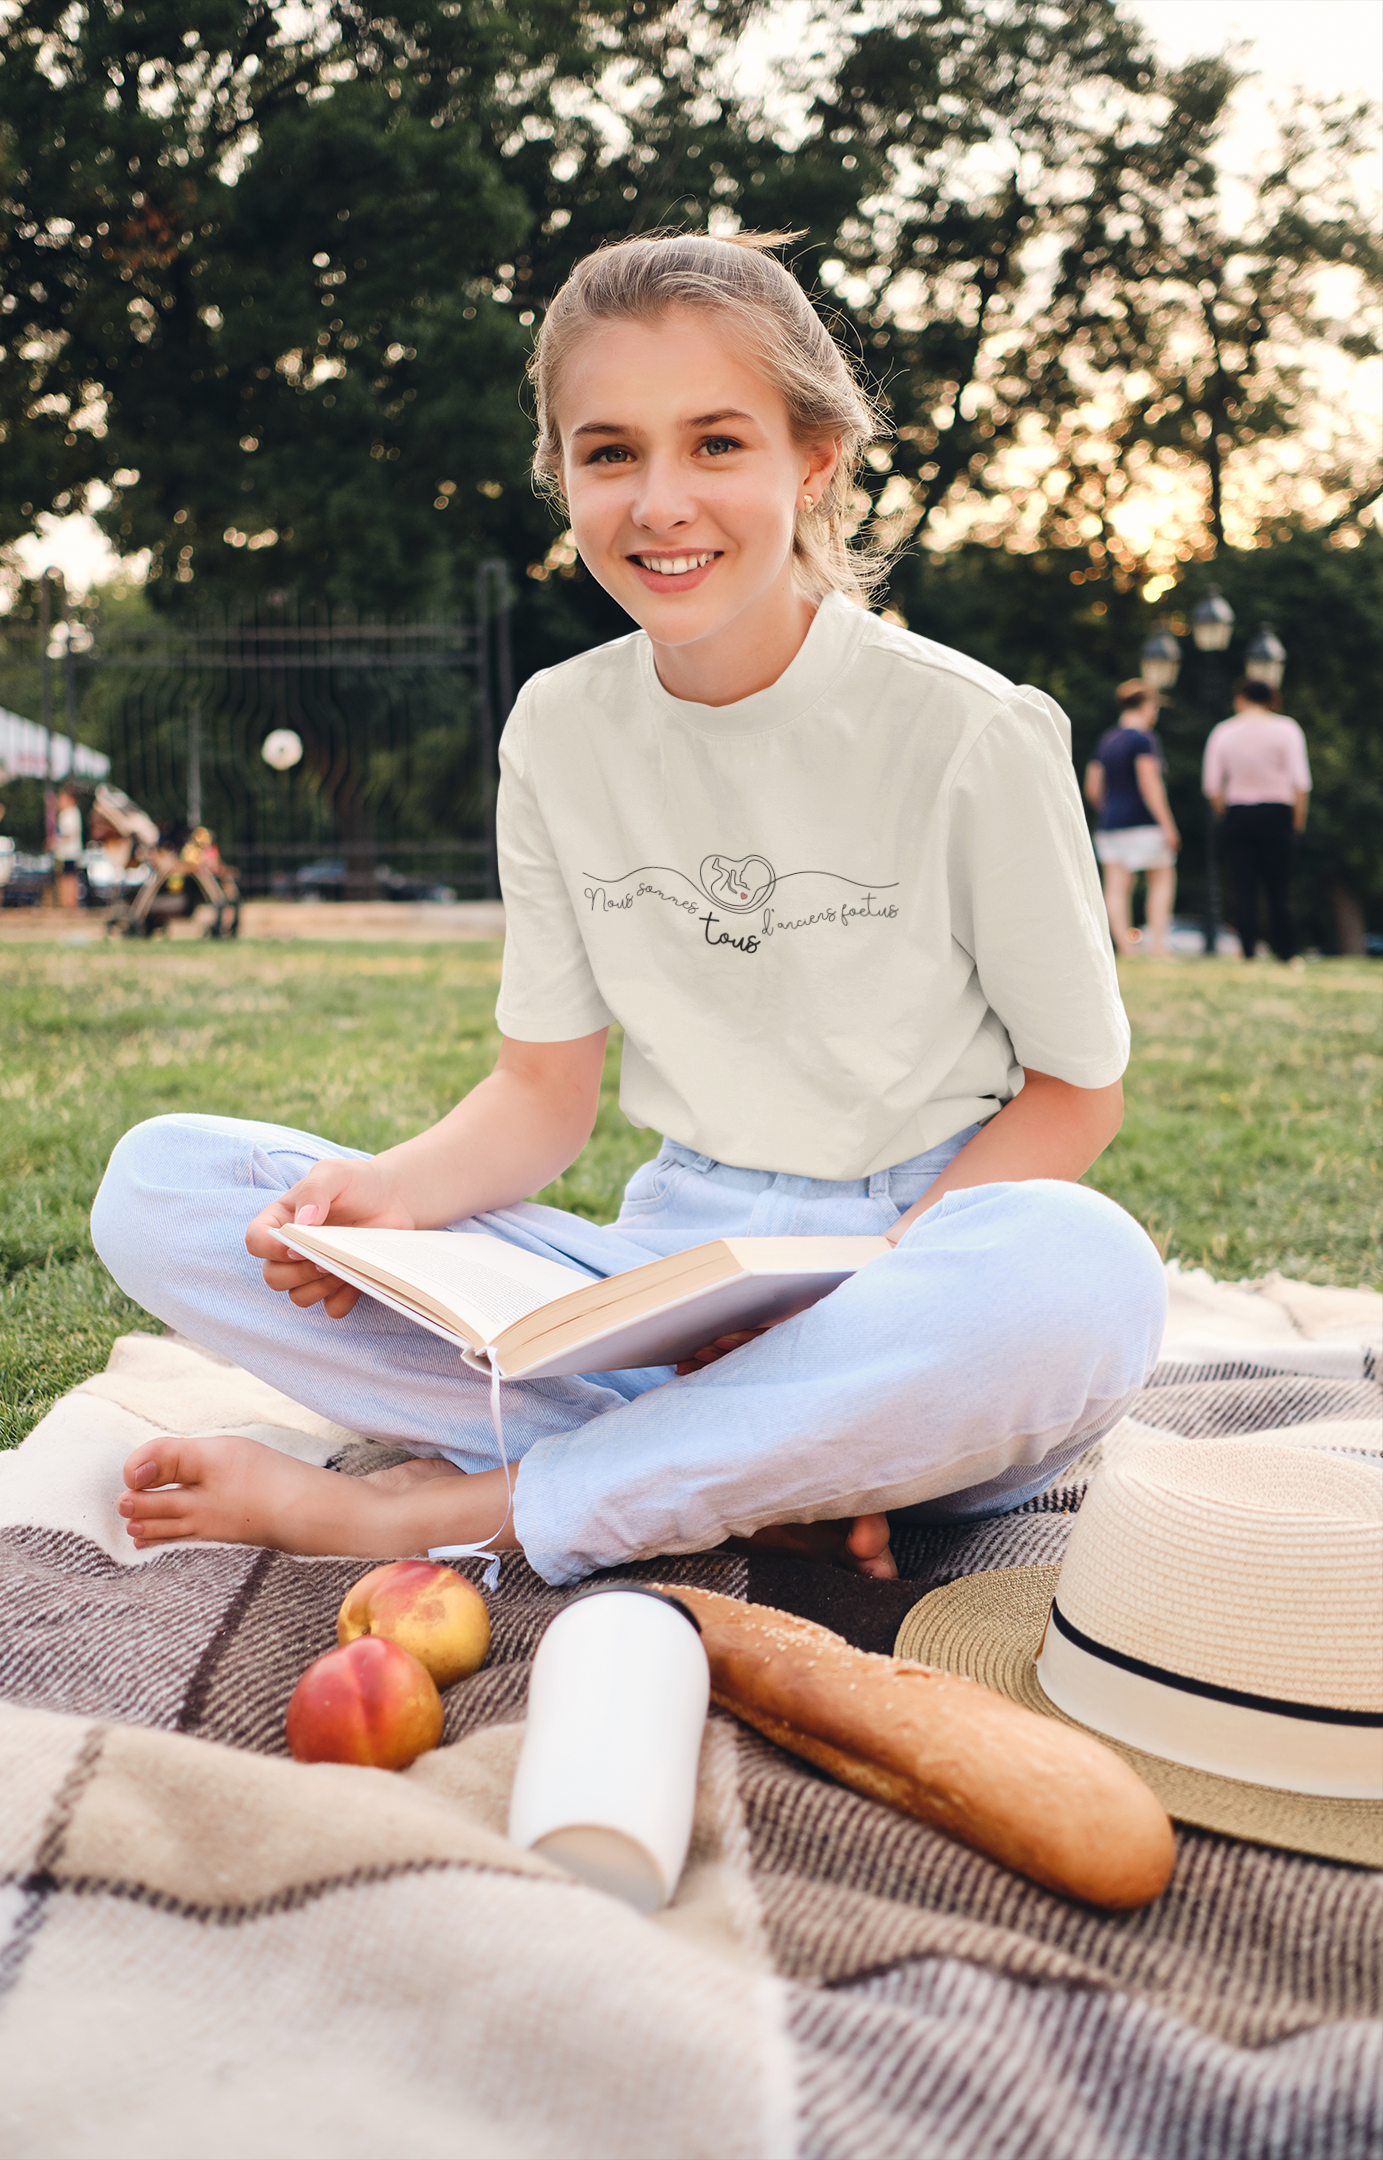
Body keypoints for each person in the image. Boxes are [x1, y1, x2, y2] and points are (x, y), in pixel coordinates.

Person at [90, 230, 1166, 1588]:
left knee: (1087, 1272)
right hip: (666, 1276)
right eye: (610, 454)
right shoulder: (559, 728)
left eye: (717, 444)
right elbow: (542, 1099)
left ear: (814, 459)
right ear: (563, 477)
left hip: (922, 1265)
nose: (661, 501)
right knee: (166, 1184)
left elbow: (1078, 1096)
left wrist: (848, 1306)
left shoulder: (975, 732)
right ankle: (749, 1472)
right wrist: (379, 1199)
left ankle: (436, 1510)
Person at [1202, 680, 1311, 964]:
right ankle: (1287, 952)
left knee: (1243, 887)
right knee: (1280, 887)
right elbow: (1300, 781)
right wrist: (1297, 820)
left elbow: (1212, 786)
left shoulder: (1224, 731)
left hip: (1239, 812)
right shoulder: (1287, 729)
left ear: (1241, 698)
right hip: (1278, 811)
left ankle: (1248, 950)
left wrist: (1226, 814)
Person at [1084, 682, 1180, 959]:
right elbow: (1150, 785)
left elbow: (1093, 787)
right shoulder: (1143, 739)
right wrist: (1167, 825)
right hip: (1143, 823)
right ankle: (1158, 946)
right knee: (1161, 879)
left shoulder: (1107, 740)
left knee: (1116, 886)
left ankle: (1125, 947)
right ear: (1147, 705)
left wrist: (1109, 808)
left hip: (1110, 824)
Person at [52, 783, 83, 910]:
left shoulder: (69, 813)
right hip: (67, 852)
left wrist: (54, 841)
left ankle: (69, 904)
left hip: (69, 852)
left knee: (68, 878)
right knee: (67, 877)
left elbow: (68, 833)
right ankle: (67, 903)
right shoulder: (70, 813)